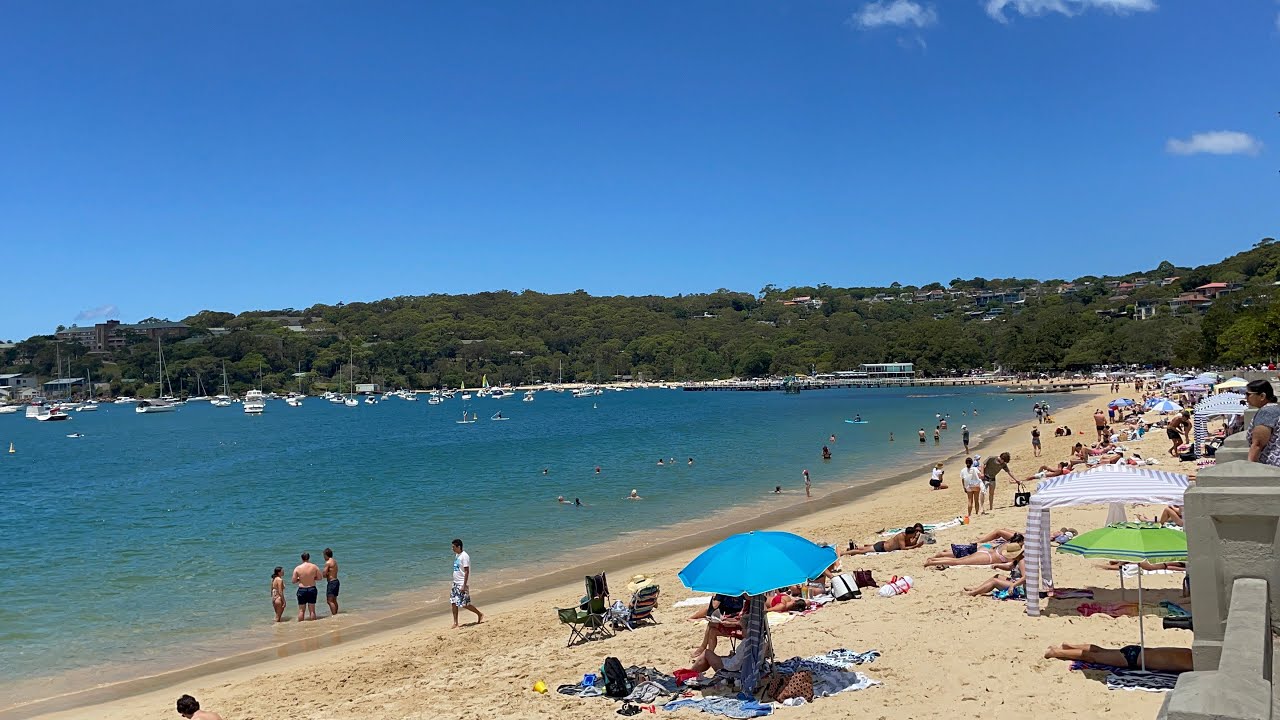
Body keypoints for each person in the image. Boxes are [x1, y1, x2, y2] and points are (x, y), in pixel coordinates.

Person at [1043, 644, 1192, 673]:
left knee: (1101, 651)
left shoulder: (1189, 652)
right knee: (1093, 658)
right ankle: (1056, 652)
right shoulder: (1191, 663)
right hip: (1131, 659)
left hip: (1137, 651)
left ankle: (1070, 646)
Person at [925, 535, 1023, 567]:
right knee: (958, 562)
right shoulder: (1014, 548)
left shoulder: (1007, 543)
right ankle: (932, 562)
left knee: (960, 559)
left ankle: (934, 560)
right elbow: (1010, 561)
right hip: (988, 557)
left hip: (985, 550)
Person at [449, 539, 483, 628]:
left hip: (462, 583)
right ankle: (455, 622)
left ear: (458, 547)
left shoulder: (465, 556)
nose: (452, 548)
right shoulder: (457, 555)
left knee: (465, 604)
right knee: (453, 602)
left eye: (453, 547)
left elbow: (467, 571)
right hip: (455, 583)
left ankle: (479, 614)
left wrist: (464, 585)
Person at [1246, 379, 1280, 466]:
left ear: (1262, 396)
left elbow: (1258, 444)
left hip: (1272, 466)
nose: (1246, 398)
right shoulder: (1275, 409)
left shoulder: (1267, 412)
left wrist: (1249, 466)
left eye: (1248, 394)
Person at [843, 523, 926, 555]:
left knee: (864, 549)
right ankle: (843, 553)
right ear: (909, 534)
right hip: (882, 547)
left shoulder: (907, 536)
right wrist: (916, 546)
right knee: (861, 551)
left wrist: (917, 538)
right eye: (913, 534)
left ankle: (852, 548)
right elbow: (903, 548)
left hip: (883, 545)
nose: (914, 535)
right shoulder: (901, 536)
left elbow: (910, 543)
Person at [292, 552, 323, 622]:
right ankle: (313, 625)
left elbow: (293, 581)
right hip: (312, 588)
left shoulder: (298, 568)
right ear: (309, 558)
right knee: (312, 610)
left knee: (301, 610)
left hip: (302, 590)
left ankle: (300, 626)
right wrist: (312, 578)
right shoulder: (314, 567)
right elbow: (320, 578)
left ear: (301, 558)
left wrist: (300, 579)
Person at [322, 548, 339, 616]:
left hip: (332, 582)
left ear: (326, 555)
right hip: (336, 581)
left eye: (324, 555)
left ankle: (334, 615)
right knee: (334, 600)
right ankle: (336, 614)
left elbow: (324, 575)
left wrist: (326, 574)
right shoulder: (334, 561)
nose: (324, 557)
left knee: (329, 601)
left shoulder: (328, 562)